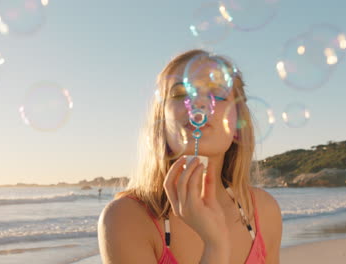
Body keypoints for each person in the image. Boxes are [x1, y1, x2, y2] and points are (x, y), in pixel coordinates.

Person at [97, 49, 282, 264]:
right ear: (162, 123)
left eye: (216, 92)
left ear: (237, 124)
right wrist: (215, 246)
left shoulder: (263, 210)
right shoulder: (126, 218)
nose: (198, 103)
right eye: (180, 94)